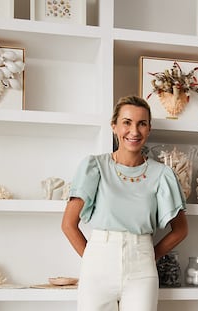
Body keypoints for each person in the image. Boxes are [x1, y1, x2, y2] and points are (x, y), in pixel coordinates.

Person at [61, 95, 188, 311]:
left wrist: (147, 255)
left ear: (149, 128)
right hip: (98, 264)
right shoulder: (95, 166)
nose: (134, 131)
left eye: (142, 124)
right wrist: (94, 259)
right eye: (127, 122)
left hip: (142, 266)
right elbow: (68, 224)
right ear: (114, 126)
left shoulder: (162, 174)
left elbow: (180, 230)